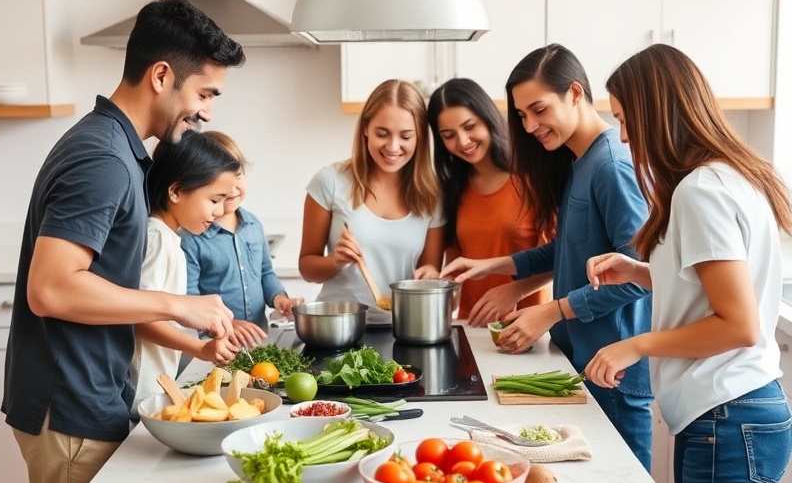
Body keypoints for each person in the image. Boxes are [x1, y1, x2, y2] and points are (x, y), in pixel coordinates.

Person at [2, 0, 246, 483]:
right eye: (205, 92)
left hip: (89, 398)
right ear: (162, 75)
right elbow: (51, 289)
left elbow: (101, 289)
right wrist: (180, 305)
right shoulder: (103, 158)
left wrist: (189, 335)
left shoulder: (118, 149)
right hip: (70, 407)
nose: (207, 111)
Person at [585, 44, 792, 483]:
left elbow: (737, 325)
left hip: (729, 414)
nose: (622, 135)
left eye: (626, 119)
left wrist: (635, 346)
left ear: (658, 112)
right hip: (735, 412)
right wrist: (641, 271)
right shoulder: (728, 176)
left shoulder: (701, 191)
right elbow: (710, 291)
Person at [440, 44, 654, 470]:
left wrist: (553, 311)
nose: (530, 124)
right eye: (521, 115)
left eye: (538, 109)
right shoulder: (579, 162)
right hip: (583, 363)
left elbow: (637, 275)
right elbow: (569, 248)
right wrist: (494, 266)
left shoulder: (612, 165)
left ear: (575, 92)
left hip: (613, 370)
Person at [299, 79, 444, 324]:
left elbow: (428, 271)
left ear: (419, 136)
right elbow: (307, 268)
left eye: (406, 136)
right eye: (382, 133)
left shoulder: (433, 194)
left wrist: (431, 277)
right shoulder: (330, 181)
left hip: (405, 326)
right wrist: (336, 261)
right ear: (365, 128)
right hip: (338, 325)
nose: (393, 146)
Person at [131, 133, 246, 415]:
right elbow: (139, 318)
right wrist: (199, 348)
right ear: (176, 191)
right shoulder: (156, 237)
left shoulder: (169, 236)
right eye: (215, 199)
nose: (219, 211)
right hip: (139, 387)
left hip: (154, 384)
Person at [427, 77, 552, 326]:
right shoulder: (451, 190)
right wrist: (435, 283)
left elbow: (556, 259)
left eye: (470, 126)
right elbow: (456, 273)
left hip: (527, 326)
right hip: (471, 327)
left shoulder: (534, 179)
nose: (463, 141)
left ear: (488, 118)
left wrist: (515, 290)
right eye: (449, 135)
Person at [181, 130, 302, 335]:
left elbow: (265, 273)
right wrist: (228, 325)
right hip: (215, 342)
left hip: (257, 339)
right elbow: (191, 299)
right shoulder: (192, 237)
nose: (233, 188)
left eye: (238, 175)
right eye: (221, 180)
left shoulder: (253, 225)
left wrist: (280, 299)